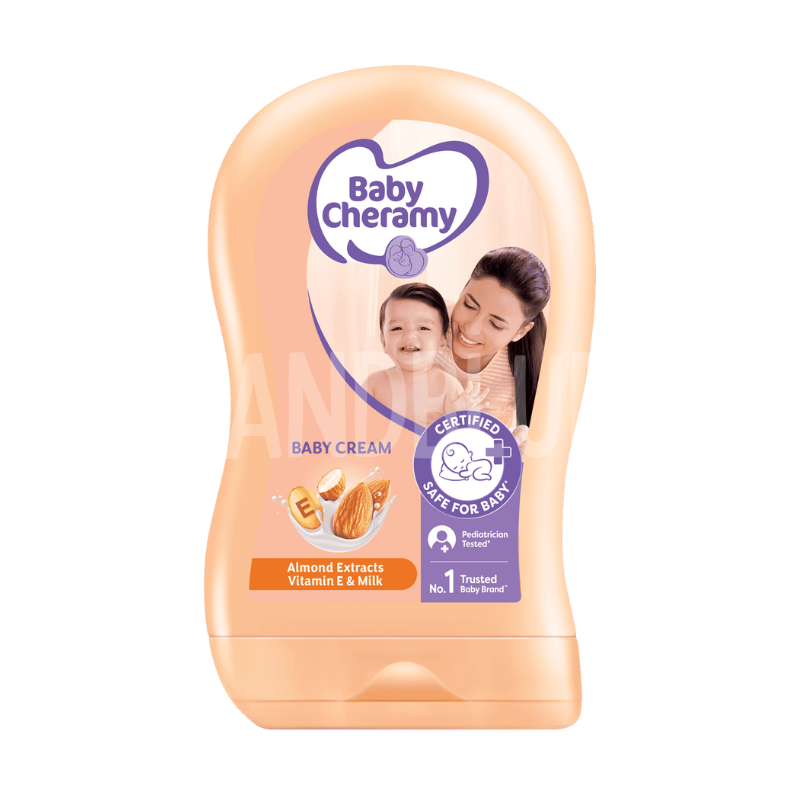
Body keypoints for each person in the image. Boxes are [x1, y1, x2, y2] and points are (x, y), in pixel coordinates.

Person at [434, 247, 550, 452]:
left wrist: (526, 442)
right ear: (463, 289)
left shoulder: (523, 362)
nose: (471, 328)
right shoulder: (427, 322)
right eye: (469, 305)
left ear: (521, 331)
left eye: (495, 324)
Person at [362, 283, 490, 427]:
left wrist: (464, 416)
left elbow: (457, 436)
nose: (409, 335)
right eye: (397, 328)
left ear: (442, 341)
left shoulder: (448, 387)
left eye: (423, 328)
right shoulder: (374, 384)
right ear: (384, 342)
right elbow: (355, 428)